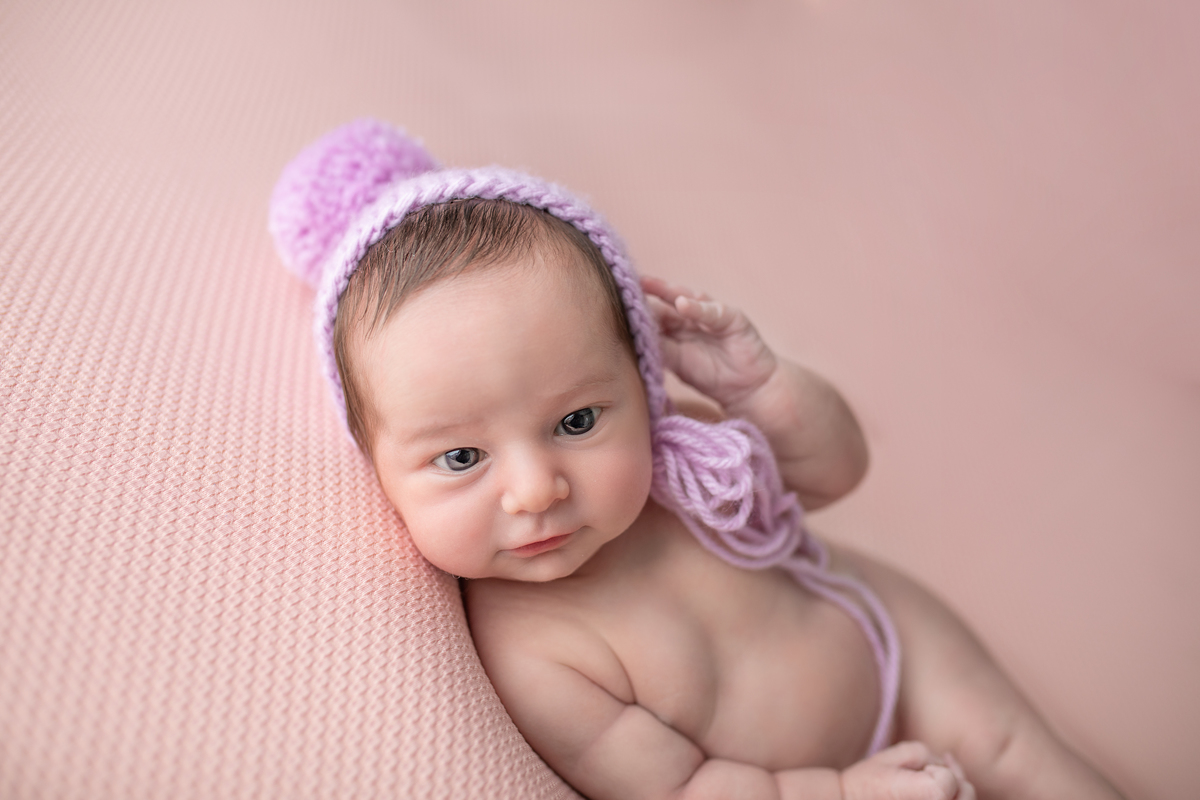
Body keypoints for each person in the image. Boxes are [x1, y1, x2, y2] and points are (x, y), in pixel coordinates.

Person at [269, 119, 1125, 800]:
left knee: (1020, 752)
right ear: (374, 463)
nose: (536, 489)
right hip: (810, 783)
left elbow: (834, 471)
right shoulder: (534, 652)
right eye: (460, 456)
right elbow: (679, 787)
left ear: (641, 382)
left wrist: (763, 390)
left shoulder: (683, 464)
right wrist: (842, 789)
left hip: (895, 645)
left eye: (575, 421)